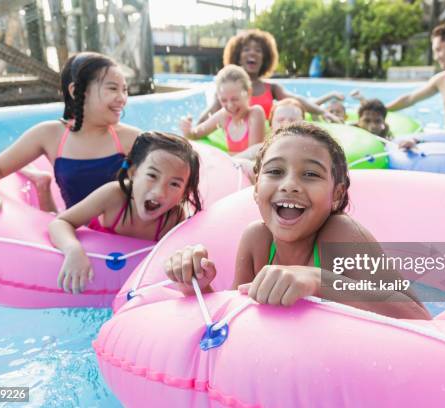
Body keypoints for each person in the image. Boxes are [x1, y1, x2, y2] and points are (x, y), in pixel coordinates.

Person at [164, 122, 430, 320]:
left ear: (336, 195)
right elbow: (233, 315)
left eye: (311, 174)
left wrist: (318, 280)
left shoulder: (341, 234)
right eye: (276, 171)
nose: (290, 184)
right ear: (257, 189)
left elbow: (418, 316)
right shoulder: (257, 240)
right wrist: (197, 285)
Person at [0, 52, 141, 227]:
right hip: (72, 229)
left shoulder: (131, 138)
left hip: (117, 232)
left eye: (124, 90)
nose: (122, 98)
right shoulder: (50, 134)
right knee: (57, 221)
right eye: (113, 88)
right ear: (77, 91)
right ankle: (42, 184)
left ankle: (42, 183)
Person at [49, 131, 202, 294]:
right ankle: (44, 190)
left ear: (185, 193)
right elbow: (60, 222)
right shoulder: (114, 195)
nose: (159, 192)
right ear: (133, 173)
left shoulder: (174, 218)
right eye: (152, 175)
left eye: (174, 184)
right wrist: (73, 250)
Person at [197, 29, 341, 124]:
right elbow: (210, 113)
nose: (252, 53)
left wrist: (323, 112)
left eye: (258, 51)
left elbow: (297, 100)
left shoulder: (271, 88)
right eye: (246, 49)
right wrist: (192, 131)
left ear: (264, 59)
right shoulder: (227, 92)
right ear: (238, 57)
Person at [179, 65, 266, 155]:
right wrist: (187, 130)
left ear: (248, 93)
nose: (230, 105)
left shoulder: (255, 113)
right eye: (224, 100)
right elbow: (195, 134)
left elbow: (254, 155)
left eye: (235, 99)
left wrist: (223, 157)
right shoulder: (223, 116)